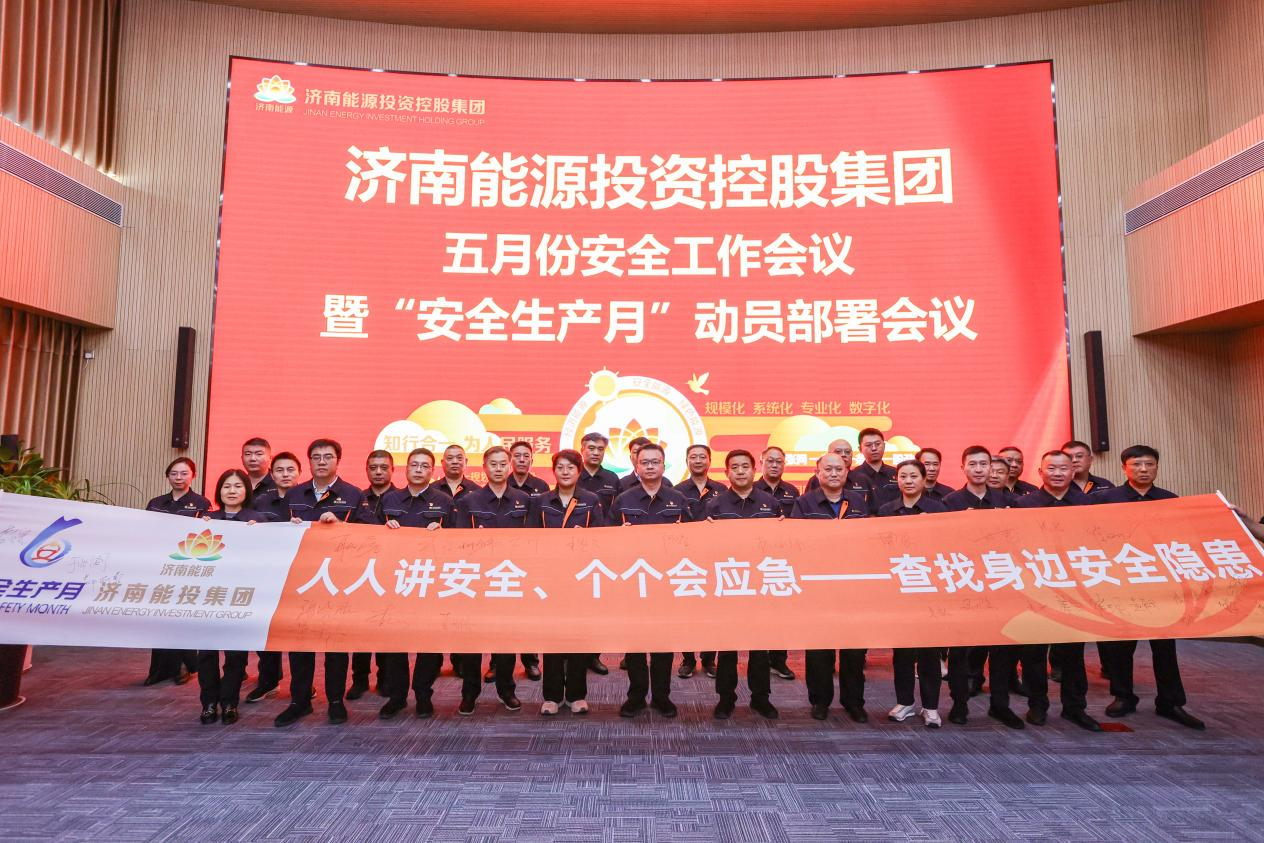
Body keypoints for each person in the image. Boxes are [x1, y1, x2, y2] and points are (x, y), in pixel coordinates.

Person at [1093, 445, 1204, 730]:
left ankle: (1171, 702)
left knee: (1164, 647)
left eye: (1149, 464)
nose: (1143, 469)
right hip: (1120, 583)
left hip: (1161, 585)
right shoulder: (1105, 500)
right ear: (1124, 468)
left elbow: (1182, 540)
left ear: (1156, 467)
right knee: (1120, 646)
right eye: (1136, 464)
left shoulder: (1170, 500)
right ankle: (1123, 696)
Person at [1001, 450, 1103, 732]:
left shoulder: (1087, 504)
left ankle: (1075, 707)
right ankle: (1037, 705)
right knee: (1033, 653)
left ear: (1073, 471)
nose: (1057, 473)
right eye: (1052, 468)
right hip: (1036, 589)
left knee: (1072, 653)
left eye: (1063, 468)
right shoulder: (1023, 505)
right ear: (1040, 472)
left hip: (1075, 590)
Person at [274, 439, 363, 728]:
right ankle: (300, 701)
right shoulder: (294, 494)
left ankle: (336, 701)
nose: (321, 462)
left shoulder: (353, 494)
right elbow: (275, 531)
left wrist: (342, 526)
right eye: (316, 457)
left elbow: (370, 535)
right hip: (300, 579)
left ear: (338, 460)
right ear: (309, 462)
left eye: (327, 457)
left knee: (336, 645)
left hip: (337, 580)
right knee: (300, 644)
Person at [791, 452, 872, 723]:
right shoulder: (804, 503)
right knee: (819, 650)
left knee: (854, 650)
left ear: (847, 472)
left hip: (853, 586)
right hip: (818, 587)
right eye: (828, 469)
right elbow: (795, 543)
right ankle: (820, 701)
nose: (834, 473)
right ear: (818, 472)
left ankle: (853, 702)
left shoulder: (858, 502)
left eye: (839, 469)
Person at [375, 448, 454, 720]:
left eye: (424, 466)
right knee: (394, 642)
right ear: (406, 469)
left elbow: (459, 542)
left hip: (431, 581)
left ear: (432, 471)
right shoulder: (389, 499)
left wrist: (443, 534)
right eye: (414, 465)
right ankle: (396, 697)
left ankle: (423, 694)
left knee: (428, 642)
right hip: (395, 581)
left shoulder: (444, 501)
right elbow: (369, 537)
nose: (419, 469)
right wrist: (384, 531)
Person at [451, 446, 530, 715]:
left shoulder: (523, 500)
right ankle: (469, 693)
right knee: (472, 641)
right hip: (476, 580)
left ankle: (506, 690)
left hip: (509, 579)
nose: (498, 468)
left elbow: (533, 540)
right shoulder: (468, 501)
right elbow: (459, 542)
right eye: (493, 464)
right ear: (484, 467)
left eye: (502, 464)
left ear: (510, 466)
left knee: (506, 640)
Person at [611, 443, 688, 718]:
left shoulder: (678, 499)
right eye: (645, 462)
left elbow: (693, 541)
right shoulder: (623, 500)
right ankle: (636, 696)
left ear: (664, 466)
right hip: (634, 582)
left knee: (662, 645)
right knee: (634, 644)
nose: (651, 466)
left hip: (667, 583)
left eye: (656, 462)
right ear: (636, 466)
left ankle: (662, 697)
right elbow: (606, 540)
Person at [705, 450, 782, 720]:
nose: (740, 471)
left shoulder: (770, 503)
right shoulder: (715, 505)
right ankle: (726, 698)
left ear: (754, 470)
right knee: (727, 648)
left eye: (745, 467)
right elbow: (706, 548)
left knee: (760, 648)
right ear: (726, 472)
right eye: (734, 467)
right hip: (729, 583)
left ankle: (761, 698)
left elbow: (780, 545)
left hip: (760, 584)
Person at [529, 449, 605, 715]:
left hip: (580, 577)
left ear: (578, 471)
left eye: (570, 467)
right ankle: (551, 696)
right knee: (551, 637)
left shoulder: (591, 500)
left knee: (577, 637)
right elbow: (530, 537)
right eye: (560, 467)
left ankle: (576, 695)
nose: (565, 472)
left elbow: (602, 537)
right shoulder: (541, 501)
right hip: (549, 578)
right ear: (553, 471)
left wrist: (585, 538)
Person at [941, 446, 1011, 724]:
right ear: (963, 468)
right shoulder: (950, 502)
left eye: (984, 464)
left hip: (999, 582)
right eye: (973, 464)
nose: (979, 469)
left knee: (1001, 649)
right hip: (964, 582)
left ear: (991, 468)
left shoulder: (1007, 501)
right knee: (961, 649)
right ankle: (959, 704)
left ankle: (1000, 705)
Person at [879, 460, 947, 729]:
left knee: (930, 652)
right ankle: (905, 702)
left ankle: (930, 707)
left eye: (913, 476)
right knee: (903, 652)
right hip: (898, 590)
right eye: (903, 476)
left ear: (924, 478)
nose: (908, 481)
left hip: (929, 589)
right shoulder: (886, 511)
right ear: (897, 480)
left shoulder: (938, 510)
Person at [196, 469, 263, 725]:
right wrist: (200, 528)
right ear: (219, 491)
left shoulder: (258, 520)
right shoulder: (207, 519)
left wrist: (260, 534)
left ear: (247, 490)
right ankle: (208, 703)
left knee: (236, 655)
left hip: (240, 596)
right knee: (206, 653)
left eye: (237, 486)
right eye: (226, 486)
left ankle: (229, 702)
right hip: (209, 595)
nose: (232, 491)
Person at [143, 457, 210, 686]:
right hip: (161, 567)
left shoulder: (202, 503)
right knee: (161, 616)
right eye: (174, 474)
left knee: (183, 616)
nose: (179, 478)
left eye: (184, 473)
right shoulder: (156, 503)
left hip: (188, 566)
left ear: (193, 476)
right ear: (167, 476)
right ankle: (160, 669)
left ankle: (185, 665)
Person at [243, 451, 301, 703]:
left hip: (302, 573)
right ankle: (268, 680)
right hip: (267, 573)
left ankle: (303, 686)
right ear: (272, 474)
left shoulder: (308, 498)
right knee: (266, 628)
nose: (285, 474)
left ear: (299, 473)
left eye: (290, 470)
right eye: (279, 470)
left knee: (298, 632)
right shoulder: (261, 501)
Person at [348, 449, 396, 701]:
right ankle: (359, 680)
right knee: (360, 630)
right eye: (373, 468)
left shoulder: (400, 498)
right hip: (361, 572)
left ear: (393, 470)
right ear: (366, 470)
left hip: (391, 572)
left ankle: (385, 678)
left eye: (383, 468)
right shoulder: (357, 498)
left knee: (386, 628)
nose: (378, 472)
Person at [677, 443, 725, 679]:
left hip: (713, 558)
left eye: (702, 457)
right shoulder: (676, 491)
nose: (697, 461)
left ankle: (708, 659)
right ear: (686, 461)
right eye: (693, 457)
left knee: (712, 611)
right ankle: (688, 659)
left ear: (709, 461)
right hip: (685, 560)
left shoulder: (722, 489)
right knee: (686, 611)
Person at [575, 431, 621, 676]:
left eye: (600, 449)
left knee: (598, 604)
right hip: (574, 550)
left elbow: (616, 512)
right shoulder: (573, 474)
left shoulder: (612, 479)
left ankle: (593, 656)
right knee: (575, 604)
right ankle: (571, 654)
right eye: (591, 448)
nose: (595, 452)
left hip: (604, 550)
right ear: (582, 449)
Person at [754, 446, 800, 680]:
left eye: (779, 461)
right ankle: (760, 660)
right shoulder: (752, 490)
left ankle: (779, 661)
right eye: (770, 461)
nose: (774, 465)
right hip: (756, 561)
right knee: (759, 614)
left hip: (783, 561)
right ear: (761, 463)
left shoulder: (792, 491)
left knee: (782, 612)